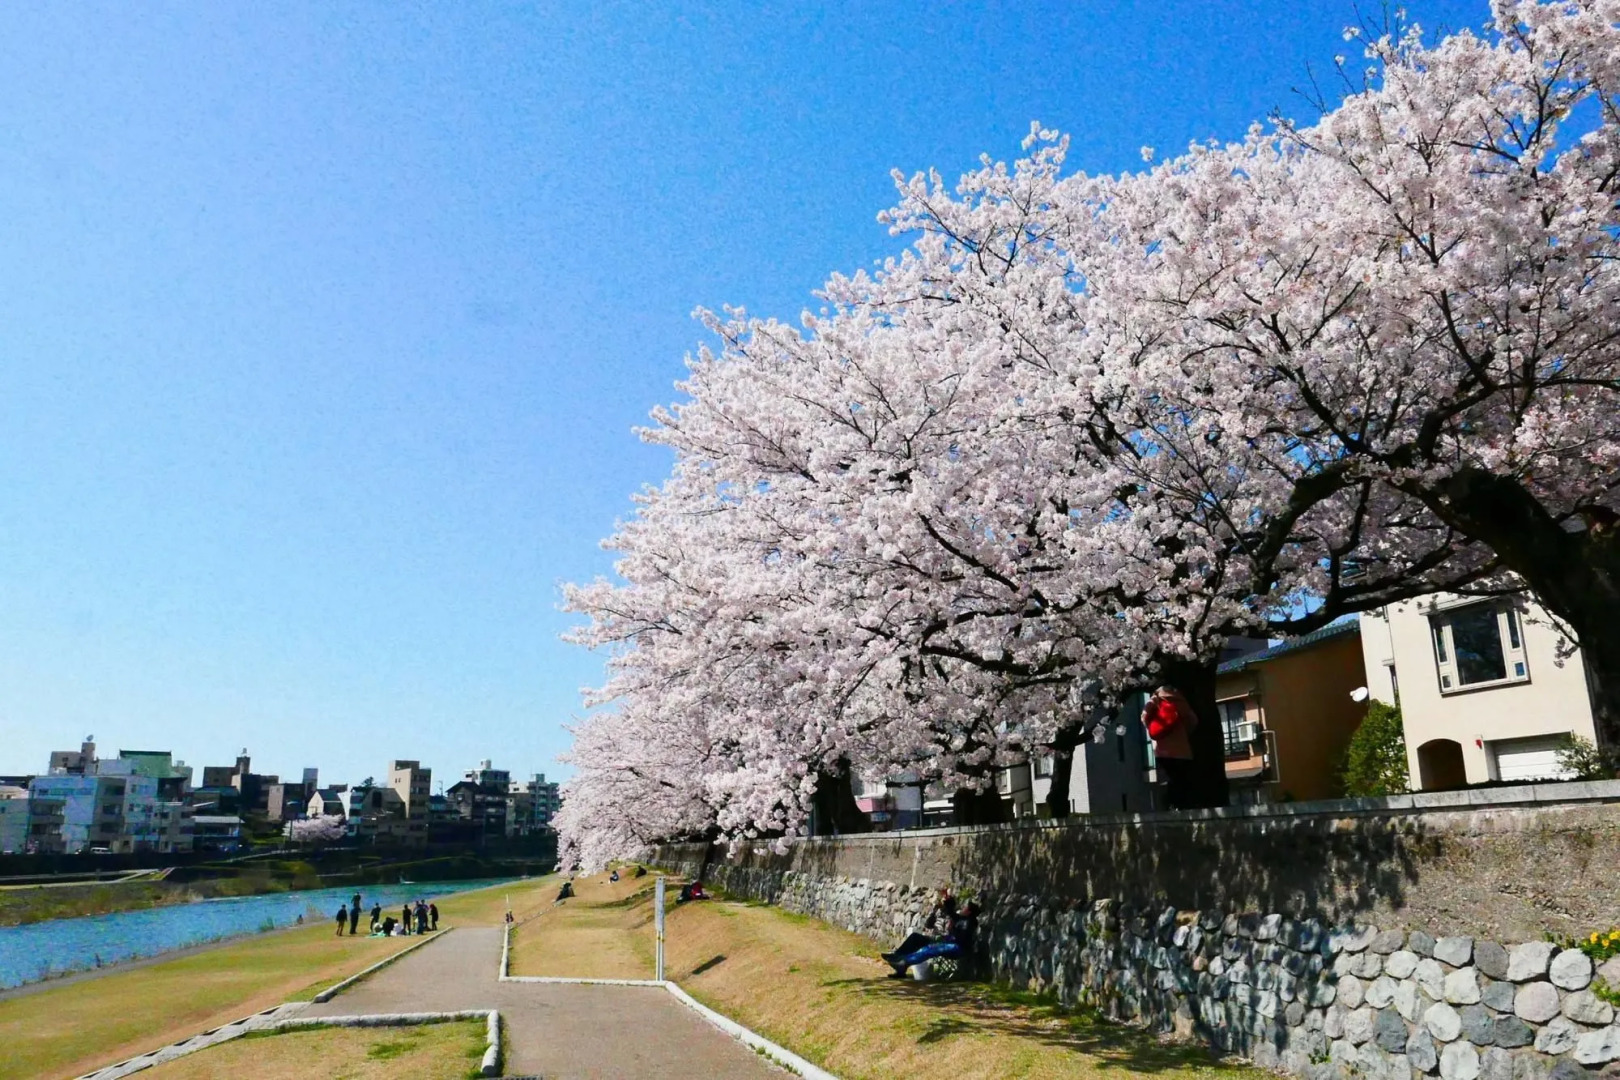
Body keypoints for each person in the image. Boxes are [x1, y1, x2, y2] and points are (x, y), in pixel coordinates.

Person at [885, 901, 979, 978]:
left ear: (969, 912)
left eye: (965, 908)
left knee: (931, 948)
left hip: (958, 948)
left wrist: (950, 931)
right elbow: (951, 913)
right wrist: (948, 899)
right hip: (947, 942)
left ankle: (903, 962)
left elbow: (959, 939)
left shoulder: (969, 922)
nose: (963, 909)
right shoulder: (962, 919)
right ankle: (897, 957)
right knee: (916, 937)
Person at [1142, 685, 1200, 810]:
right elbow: (1193, 721)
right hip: (1183, 751)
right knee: (1182, 781)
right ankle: (1183, 806)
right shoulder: (1181, 700)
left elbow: (1144, 716)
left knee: (1167, 779)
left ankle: (1169, 807)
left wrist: (1154, 728)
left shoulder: (1156, 698)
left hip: (1163, 751)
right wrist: (1184, 733)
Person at [881, 888, 956, 964]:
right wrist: (933, 912)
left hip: (941, 942)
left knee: (916, 938)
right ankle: (898, 956)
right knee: (915, 937)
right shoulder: (938, 913)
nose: (943, 906)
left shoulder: (953, 917)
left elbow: (948, 934)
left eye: (945, 904)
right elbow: (928, 925)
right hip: (932, 939)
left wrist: (939, 937)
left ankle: (899, 958)